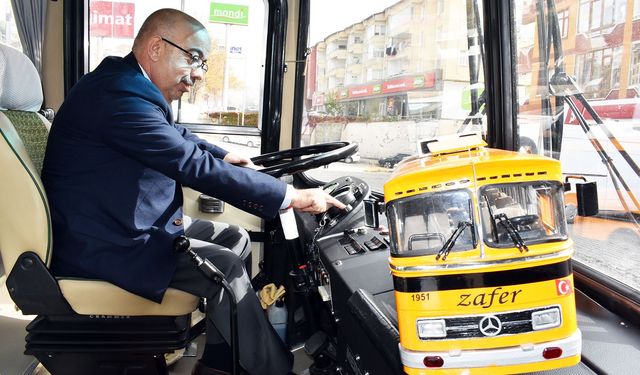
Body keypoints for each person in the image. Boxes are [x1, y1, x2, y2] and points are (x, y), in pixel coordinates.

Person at [41, 8, 345, 375]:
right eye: (194, 58)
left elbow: (179, 137)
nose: (199, 74)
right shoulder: (117, 96)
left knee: (234, 238)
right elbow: (189, 163)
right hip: (106, 243)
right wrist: (291, 196)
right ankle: (271, 369)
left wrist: (227, 154)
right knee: (227, 268)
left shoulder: (127, 84)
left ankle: (219, 360)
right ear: (156, 47)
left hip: (119, 220)